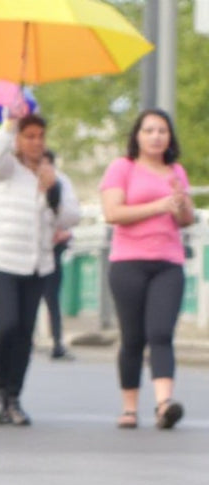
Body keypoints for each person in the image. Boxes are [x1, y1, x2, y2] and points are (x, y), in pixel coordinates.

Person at [0, 105, 79, 427]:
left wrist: (53, 192)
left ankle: (14, 396)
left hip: (37, 264)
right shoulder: (5, 169)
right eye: (29, 136)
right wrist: (9, 124)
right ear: (19, 139)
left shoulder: (55, 177)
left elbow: (70, 218)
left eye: (40, 137)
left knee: (24, 333)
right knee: (6, 325)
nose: (36, 142)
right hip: (1, 260)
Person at [99, 109, 194, 431]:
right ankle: (129, 407)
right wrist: (159, 205)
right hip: (128, 263)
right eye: (149, 130)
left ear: (170, 137)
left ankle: (164, 404)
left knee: (161, 334)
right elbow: (112, 212)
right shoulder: (121, 168)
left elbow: (185, 220)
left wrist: (180, 203)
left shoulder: (176, 170)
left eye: (162, 131)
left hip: (168, 263)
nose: (156, 136)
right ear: (137, 136)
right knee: (133, 338)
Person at [40, 150, 78, 362]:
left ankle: (57, 343)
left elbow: (72, 214)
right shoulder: (24, 180)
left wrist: (63, 231)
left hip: (53, 247)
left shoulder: (62, 182)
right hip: (29, 248)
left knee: (52, 297)